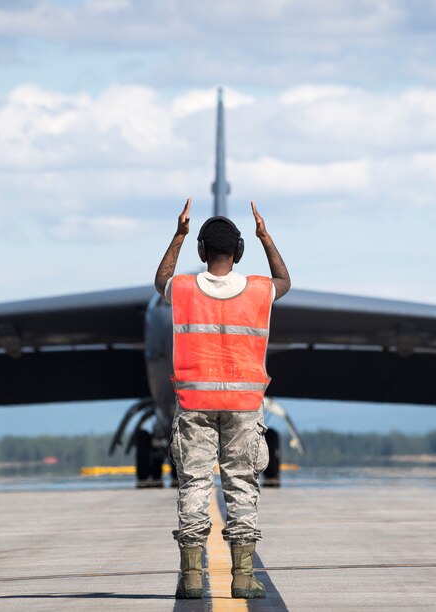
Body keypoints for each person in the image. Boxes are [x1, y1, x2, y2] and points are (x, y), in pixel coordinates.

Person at [155, 198, 290, 600]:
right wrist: (267, 238)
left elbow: (160, 278)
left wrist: (177, 235)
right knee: (241, 484)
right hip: (244, 406)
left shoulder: (181, 290)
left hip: (194, 405)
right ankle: (243, 577)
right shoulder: (259, 291)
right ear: (239, 251)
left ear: (201, 252)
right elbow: (285, 280)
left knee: (194, 484)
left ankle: (193, 578)